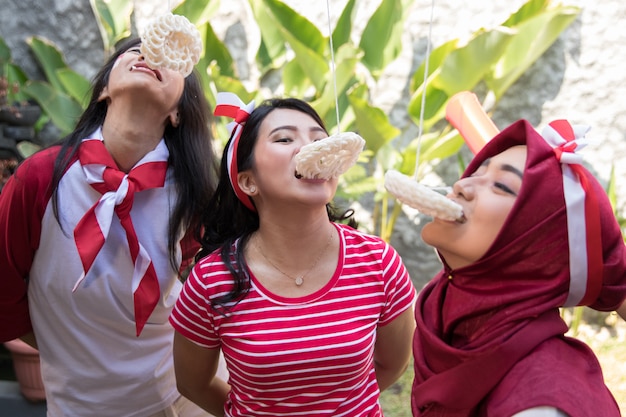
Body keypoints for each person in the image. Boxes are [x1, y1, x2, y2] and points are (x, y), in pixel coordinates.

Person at [0, 37, 227, 416]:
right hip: (82, 406)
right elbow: (3, 294)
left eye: (167, 61)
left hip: (183, 397)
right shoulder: (39, 179)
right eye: (136, 51)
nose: (148, 56)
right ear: (104, 89)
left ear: (177, 113)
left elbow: (218, 296)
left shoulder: (193, 197)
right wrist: (74, 346)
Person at [169, 94, 417, 417]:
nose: (310, 148)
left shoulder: (379, 262)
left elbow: (392, 363)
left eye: (319, 139)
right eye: (285, 138)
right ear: (248, 181)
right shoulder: (210, 281)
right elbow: (193, 383)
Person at [410, 119, 626, 416]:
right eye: (478, 171)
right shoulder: (452, 325)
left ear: (533, 246)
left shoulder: (540, 399)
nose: (461, 185)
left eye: (500, 185)